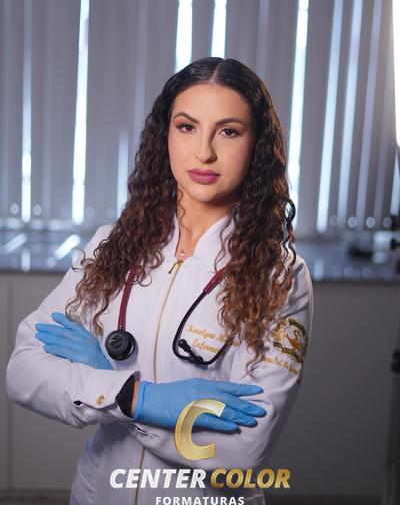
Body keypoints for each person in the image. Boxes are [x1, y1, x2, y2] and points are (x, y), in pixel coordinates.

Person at [6, 57, 313, 505]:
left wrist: (110, 387)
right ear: (164, 135)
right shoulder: (112, 244)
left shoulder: (279, 276)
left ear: (257, 145)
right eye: (187, 127)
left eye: (228, 131)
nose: (204, 152)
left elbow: (242, 449)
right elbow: (23, 371)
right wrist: (139, 397)